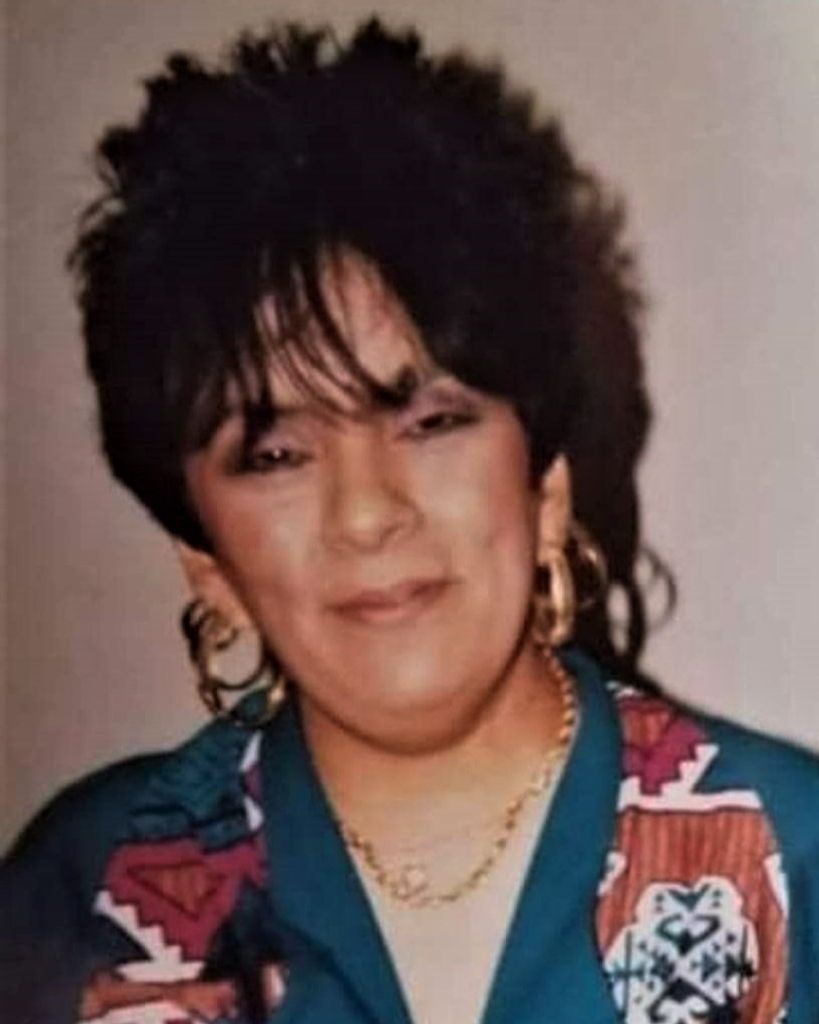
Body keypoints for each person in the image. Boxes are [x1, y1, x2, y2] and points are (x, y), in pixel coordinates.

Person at [2, 17, 818, 1024]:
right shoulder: (82, 894)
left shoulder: (792, 858)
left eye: (431, 422)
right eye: (276, 453)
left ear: (545, 486)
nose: (366, 512)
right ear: (205, 560)